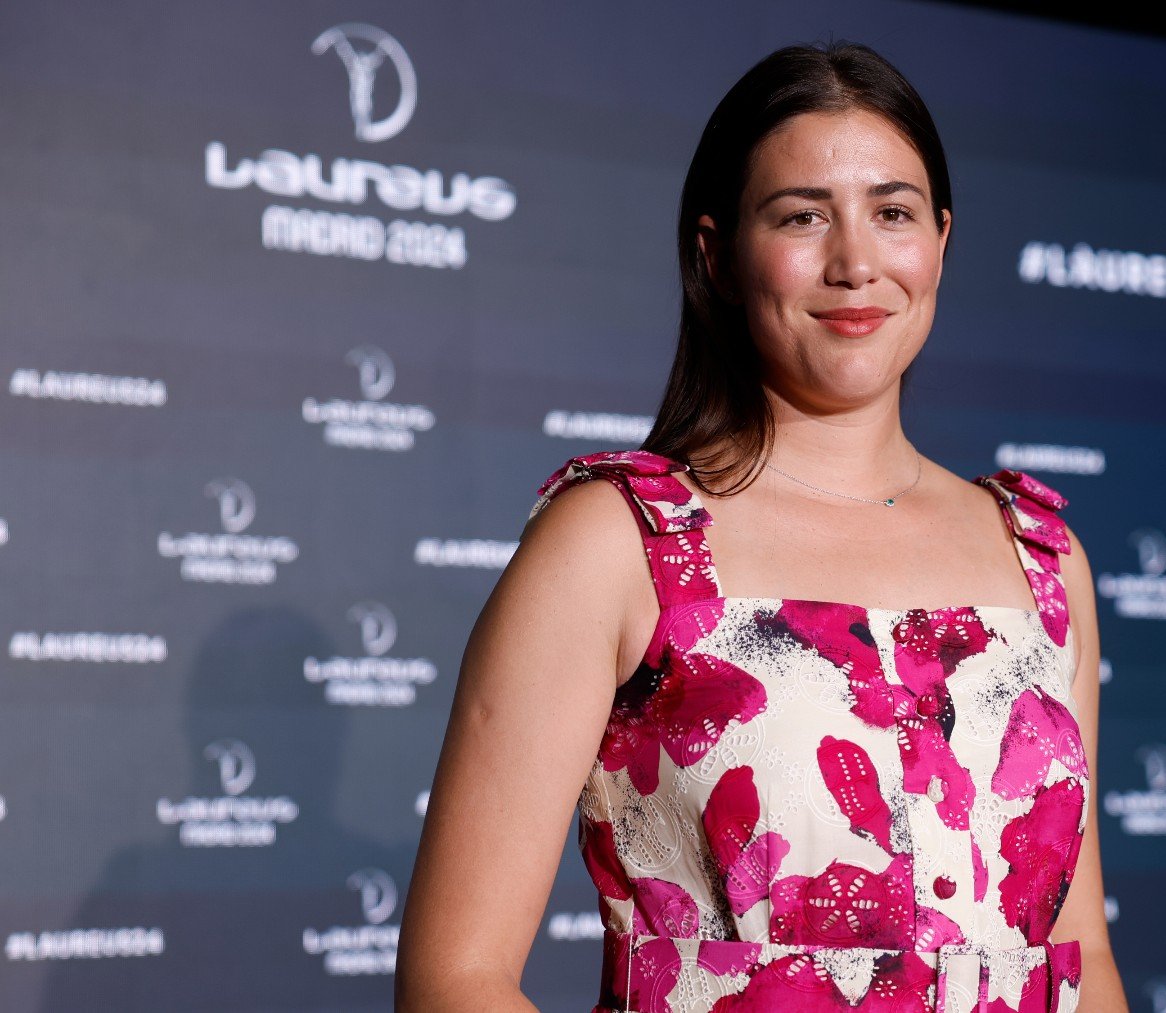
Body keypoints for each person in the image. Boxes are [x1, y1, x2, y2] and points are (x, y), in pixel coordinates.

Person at [397, 40, 1126, 1012]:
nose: (856, 260)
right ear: (719, 255)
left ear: (942, 243)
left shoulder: (1042, 560)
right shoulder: (617, 542)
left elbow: (1081, 957)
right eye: (802, 216)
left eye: (893, 212)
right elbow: (456, 977)